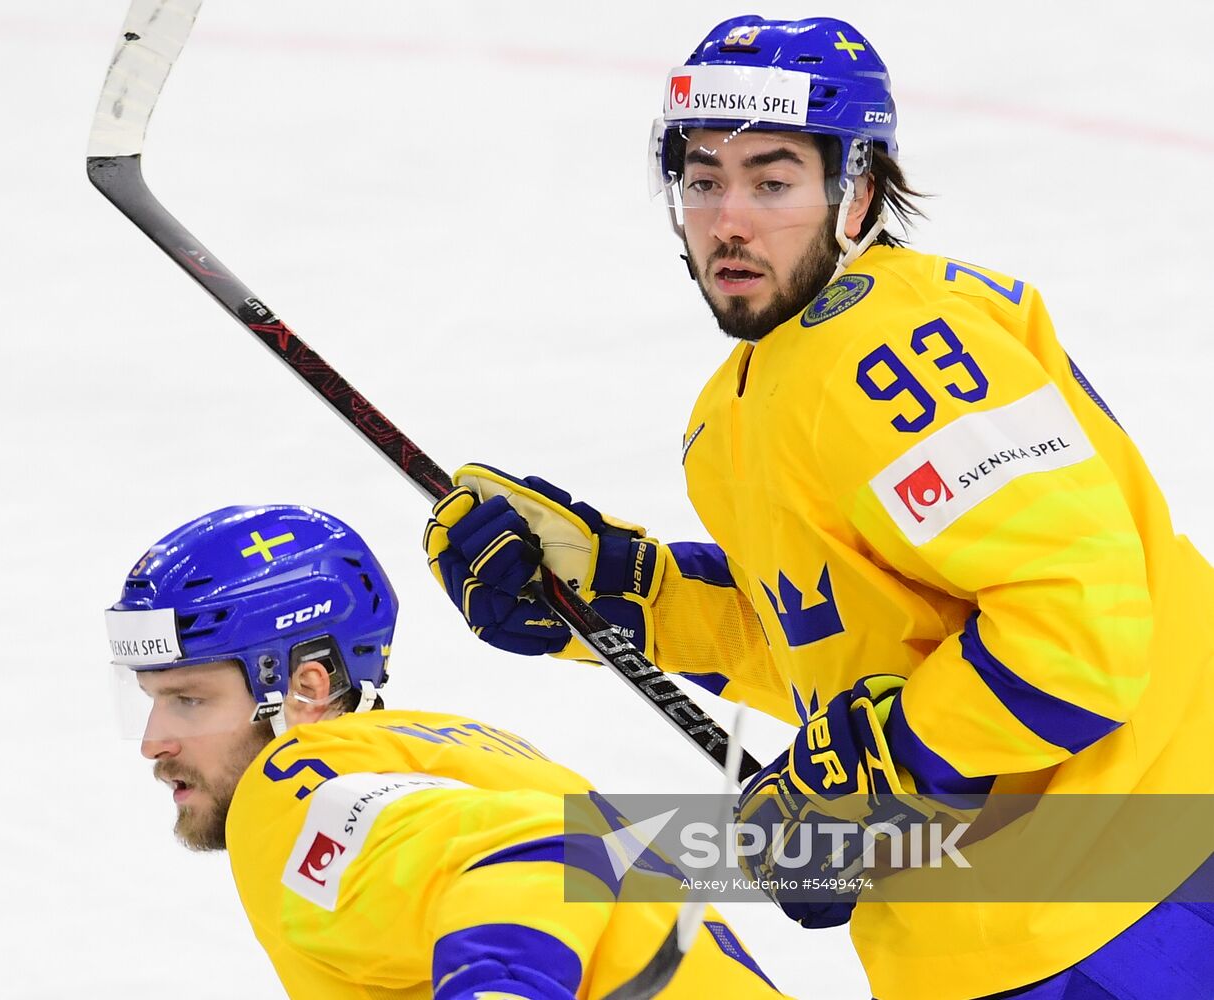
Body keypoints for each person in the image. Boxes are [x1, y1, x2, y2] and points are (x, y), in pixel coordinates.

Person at [421, 14, 1214, 1000]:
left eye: (772, 179)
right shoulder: (740, 403)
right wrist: (628, 600)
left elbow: (1078, 633)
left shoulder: (889, 345)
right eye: (703, 180)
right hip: (1015, 927)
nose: (729, 220)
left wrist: (880, 773)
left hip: (1136, 898)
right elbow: (841, 638)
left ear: (859, 194)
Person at [107, 503, 786, 1000]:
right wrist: (864, 841)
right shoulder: (484, 753)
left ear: (304, 688)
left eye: (188, 700)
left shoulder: (293, 783)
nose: (152, 742)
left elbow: (544, 851)